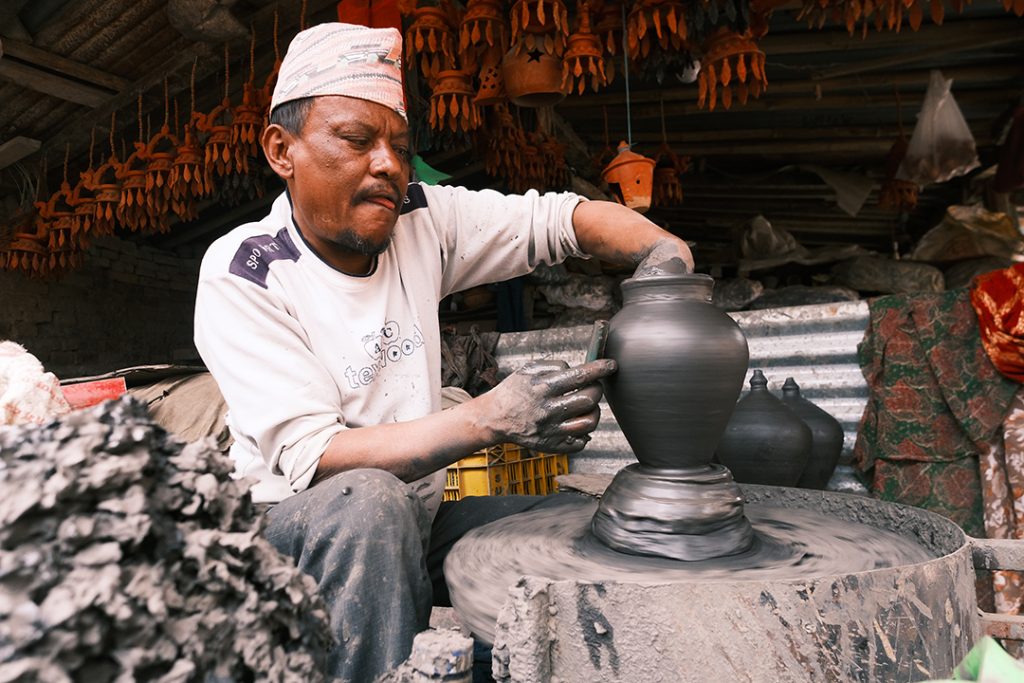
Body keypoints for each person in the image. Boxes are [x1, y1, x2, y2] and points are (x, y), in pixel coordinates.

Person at [193, 22, 694, 682]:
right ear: (281, 150)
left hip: (412, 519)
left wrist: (665, 255)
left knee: (578, 522)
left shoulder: (420, 219)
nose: (388, 165)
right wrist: (490, 418)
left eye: (400, 146)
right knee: (369, 502)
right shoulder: (246, 270)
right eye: (357, 139)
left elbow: (560, 221)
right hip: (291, 539)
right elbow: (318, 459)